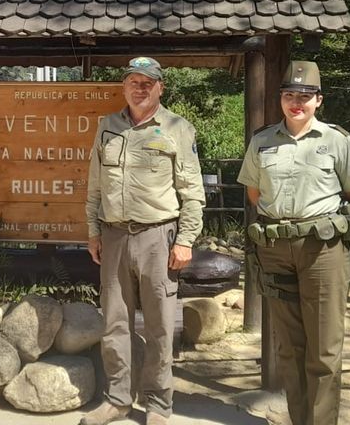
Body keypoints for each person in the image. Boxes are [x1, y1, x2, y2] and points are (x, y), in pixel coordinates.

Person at [237, 61, 350, 425]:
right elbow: (253, 192)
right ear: (280, 99)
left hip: (322, 251)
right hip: (276, 250)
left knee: (323, 350)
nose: (297, 102)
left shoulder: (336, 141)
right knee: (290, 349)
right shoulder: (262, 141)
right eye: (290, 95)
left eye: (305, 96)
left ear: (318, 100)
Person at [81, 56, 206, 425]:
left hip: (158, 239)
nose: (140, 88)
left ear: (160, 87)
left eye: (147, 82)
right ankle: (117, 399)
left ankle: (158, 405)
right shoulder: (107, 127)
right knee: (115, 325)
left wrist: (185, 240)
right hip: (114, 236)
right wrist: (93, 231)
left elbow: (192, 191)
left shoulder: (177, 129)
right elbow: (94, 186)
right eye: (133, 81)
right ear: (123, 86)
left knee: (160, 327)